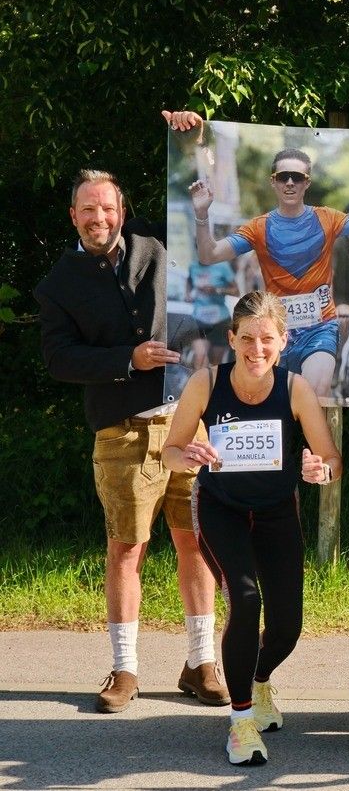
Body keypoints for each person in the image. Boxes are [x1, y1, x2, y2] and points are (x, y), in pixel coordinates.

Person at [34, 146, 228, 715]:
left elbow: (194, 196)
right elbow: (59, 360)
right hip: (120, 432)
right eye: (88, 211)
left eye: (108, 209)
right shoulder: (57, 285)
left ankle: (201, 663)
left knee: (197, 542)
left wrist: (193, 144)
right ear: (73, 215)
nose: (100, 220)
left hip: (187, 420)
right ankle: (124, 670)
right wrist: (128, 358)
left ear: (122, 209)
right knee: (127, 548)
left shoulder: (155, 243)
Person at [163, 291, 342, 766]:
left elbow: (332, 460)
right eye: (247, 339)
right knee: (245, 600)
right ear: (231, 339)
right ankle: (240, 722)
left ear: (283, 341)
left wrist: (318, 471)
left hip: (277, 511)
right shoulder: (206, 383)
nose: (256, 349)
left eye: (267, 339)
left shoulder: (294, 387)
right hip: (221, 508)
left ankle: (257, 682)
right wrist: (189, 456)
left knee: (287, 627)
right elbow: (170, 451)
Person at [188, 149, 349, 398]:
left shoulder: (328, 218)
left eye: (297, 177)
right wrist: (201, 214)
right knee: (276, 404)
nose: (290, 182)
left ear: (307, 183)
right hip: (274, 332)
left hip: (320, 327)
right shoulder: (258, 227)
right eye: (283, 176)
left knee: (315, 392)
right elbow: (209, 255)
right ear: (273, 181)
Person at [185, 259, 238, 367]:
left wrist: (216, 290)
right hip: (199, 320)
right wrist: (188, 294)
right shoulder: (193, 266)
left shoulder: (223, 266)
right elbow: (189, 280)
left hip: (220, 321)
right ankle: (200, 383)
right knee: (200, 357)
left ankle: (213, 382)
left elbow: (236, 291)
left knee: (215, 364)